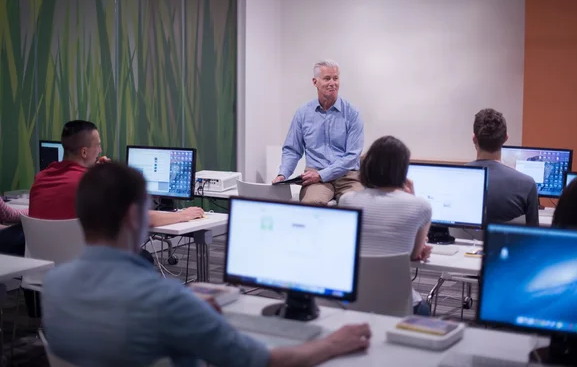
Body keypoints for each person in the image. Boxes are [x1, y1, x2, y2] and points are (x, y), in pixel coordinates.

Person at [42, 163, 372, 367]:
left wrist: (190, 311)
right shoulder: (165, 300)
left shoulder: (53, 285)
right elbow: (261, 361)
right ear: (133, 216)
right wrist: (331, 343)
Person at [29, 120, 204, 226]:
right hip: (87, 270)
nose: (100, 150)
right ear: (84, 152)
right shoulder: (91, 185)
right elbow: (144, 218)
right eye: (97, 145)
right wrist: (183, 215)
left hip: (44, 270)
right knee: (143, 259)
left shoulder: (41, 178)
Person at [338, 136, 433, 316]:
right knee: (423, 307)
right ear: (403, 170)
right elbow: (413, 255)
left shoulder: (347, 200)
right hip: (401, 306)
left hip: (352, 301)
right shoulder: (421, 206)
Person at [273, 60, 364, 205]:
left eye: (336, 78)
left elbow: (352, 156)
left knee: (359, 204)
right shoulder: (303, 113)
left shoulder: (352, 113)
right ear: (315, 82)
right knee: (312, 204)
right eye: (327, 78)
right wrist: (283, 174)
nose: (332, 83)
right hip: (314, 175)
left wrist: (322, 175)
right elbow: (292, 149)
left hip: (347, 176)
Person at [466, 109, 539, 225]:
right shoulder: (527, 184)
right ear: (506, 138)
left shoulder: (452, 179)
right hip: (507, 243)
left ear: (474, 139)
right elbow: (533, 236)